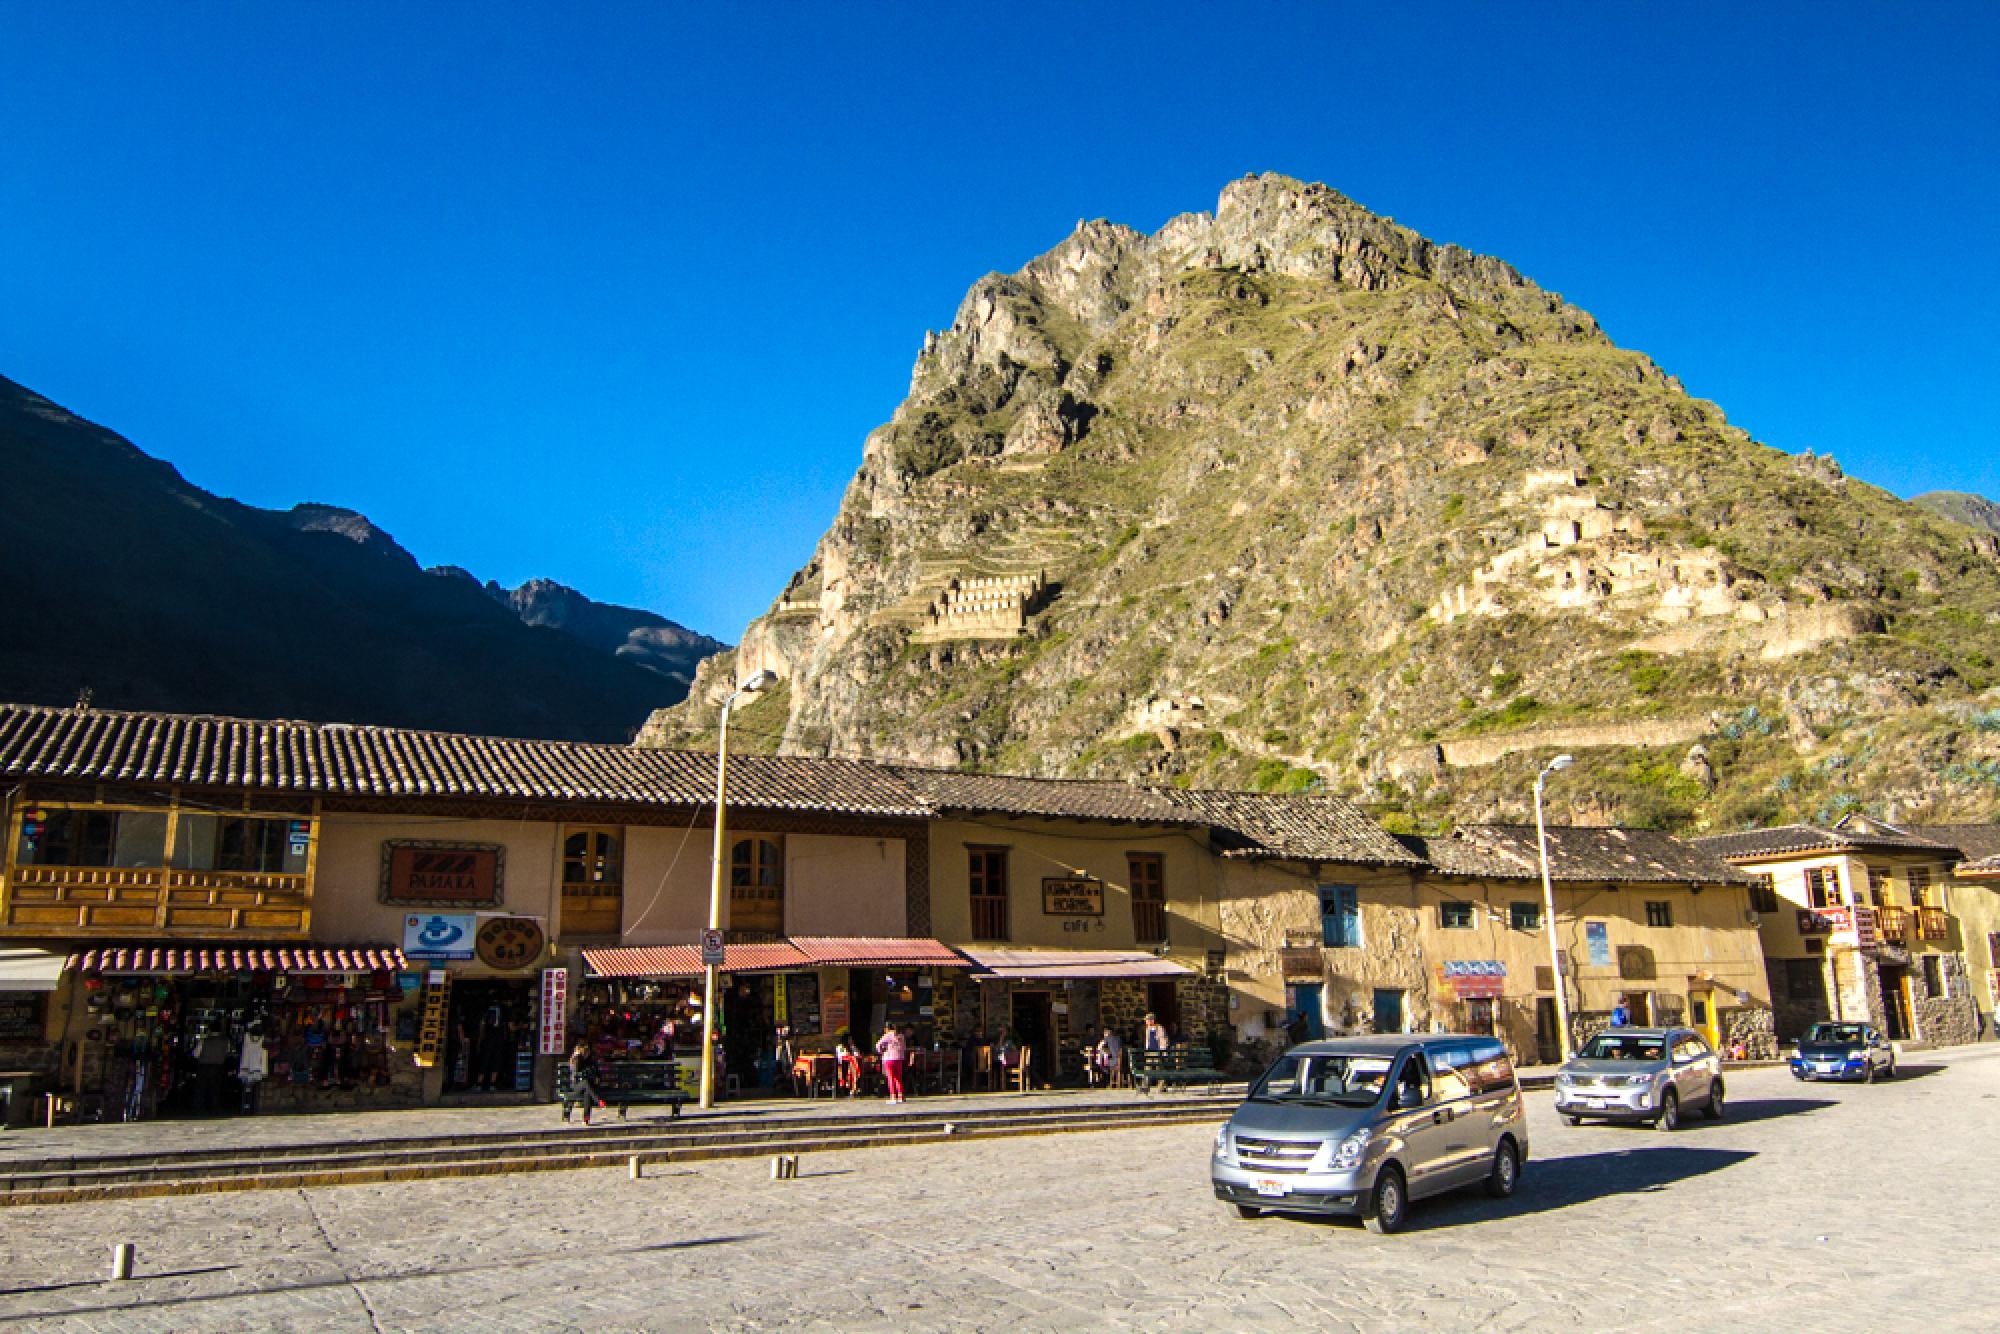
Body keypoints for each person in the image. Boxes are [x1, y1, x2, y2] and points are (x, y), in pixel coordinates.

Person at [565, 1041, 607, 1125]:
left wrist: (597, 1078)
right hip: (576, 1086)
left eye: (587, 1050)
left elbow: (597, 1072)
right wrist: (577, 1056)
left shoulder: (591, 1060)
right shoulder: (575, 1059)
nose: (586, 1052)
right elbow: (575, 1071)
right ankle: (598, 1101)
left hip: (589, 1087)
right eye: (584, 1050)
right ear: (579, 1050)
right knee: (585, 1083)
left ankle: (586, 1118)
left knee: (587, 1093)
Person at [876, 1023, 908, 1104]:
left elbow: (878, 1045)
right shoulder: (901, 1036)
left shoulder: (888, 1035)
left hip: (889, 1058)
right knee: (898, 1078)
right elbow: (904, 1048)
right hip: (899, 1059)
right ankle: (901, 1096)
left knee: (890, 1078)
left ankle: (893, 1096)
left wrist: (881, 1051)